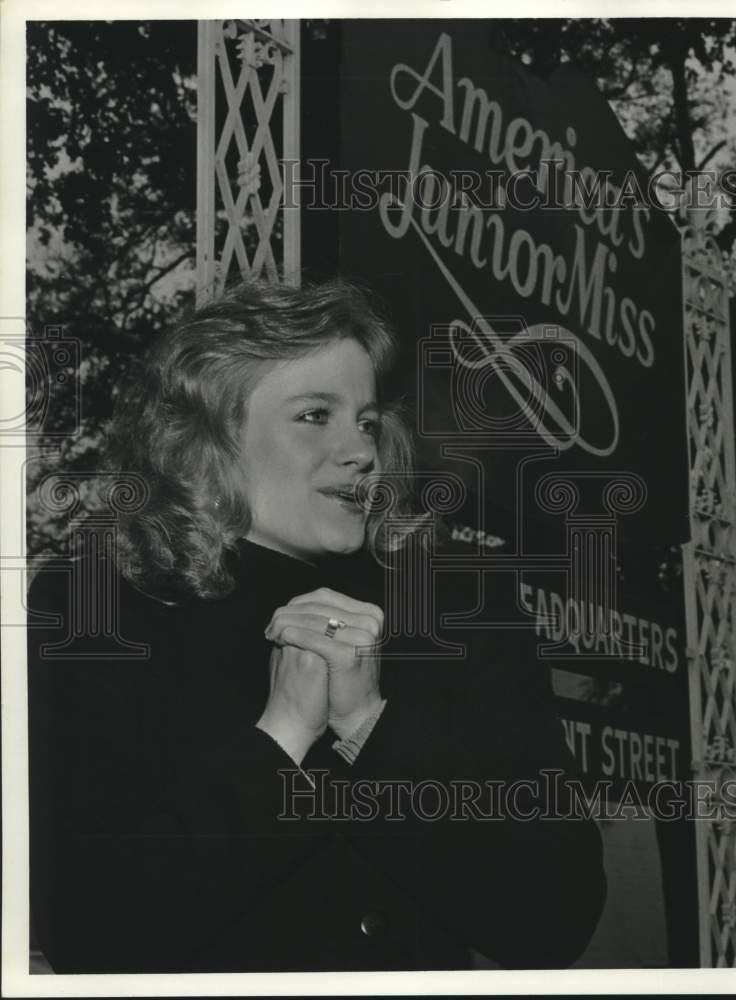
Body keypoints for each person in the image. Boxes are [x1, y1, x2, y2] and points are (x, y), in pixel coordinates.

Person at [27, 278, 606, 974]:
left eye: (365, 420)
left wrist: (368, 726)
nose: (360, 450)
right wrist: (281, 740)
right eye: (313, 416)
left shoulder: (462, 608)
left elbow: (556, 919)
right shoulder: (99, 608)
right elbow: (89, 931)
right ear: (210, 440)